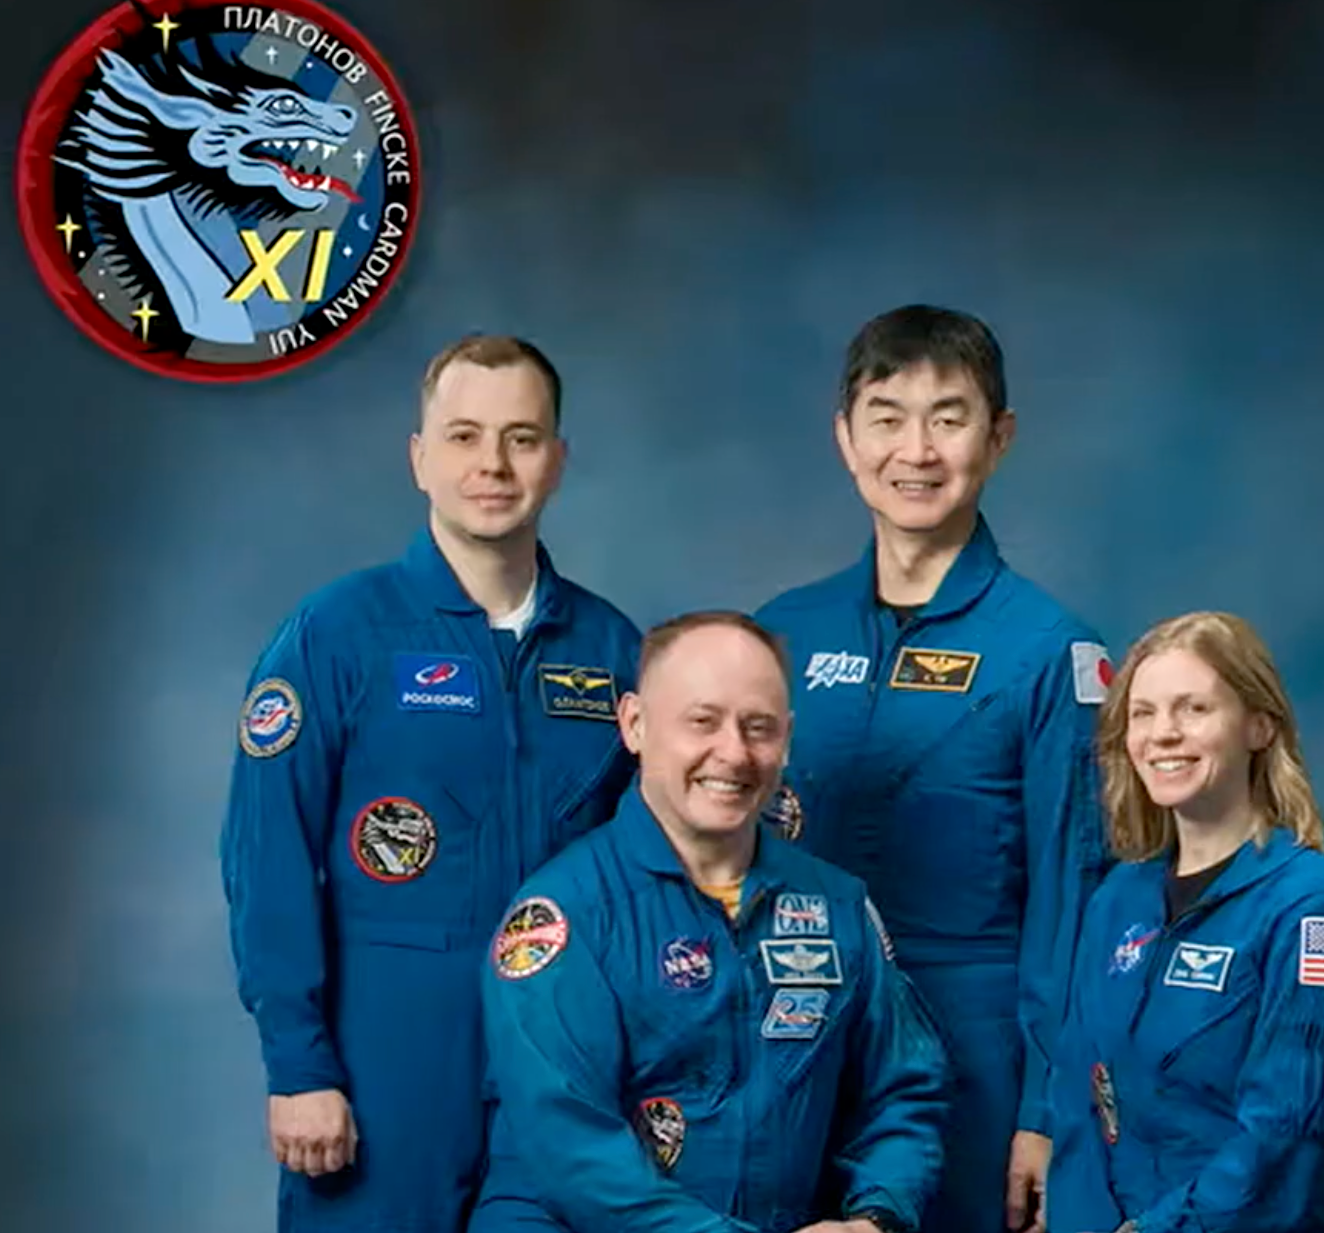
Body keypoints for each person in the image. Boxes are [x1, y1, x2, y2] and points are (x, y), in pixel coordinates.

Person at [221, 335, 642, 1233]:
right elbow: (269, 861)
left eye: (522, 438)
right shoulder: (337, 635)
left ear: (558, 462)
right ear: (419, 458)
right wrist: (300, 1066)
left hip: (557, 1062)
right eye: (462, 436)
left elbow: (655, 867)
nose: (491, 464)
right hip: (387, 1059)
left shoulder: (612, 654)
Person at [756, 305, 1111, 1233]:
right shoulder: (781, 633)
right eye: (886, 416)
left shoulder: (1052, 654)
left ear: (998, 439)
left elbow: (1078, 906)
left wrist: (1045, 1114)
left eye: (948, 418)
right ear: (844, 438)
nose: (915, 450)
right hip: (798, 1043)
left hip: (978, 1058)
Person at [471, 611, 952, 1233]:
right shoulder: (563, 917)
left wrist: (876, 1216)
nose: (733, 753)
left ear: (787, 738)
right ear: (635, 724)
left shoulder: (836, 907)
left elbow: (906, 1092)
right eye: (702, 721)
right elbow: (574, 1155)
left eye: (759, 727)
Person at [1046, 611, 1324, 1233]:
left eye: (1193, 709)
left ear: (1259, 726)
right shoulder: (1118, 901)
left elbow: (1289, 1139)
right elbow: (1079, 1099)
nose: (1163, 734)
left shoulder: (1316, 912)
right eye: (1143, 713)